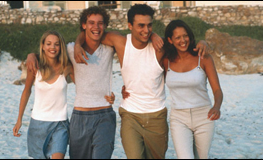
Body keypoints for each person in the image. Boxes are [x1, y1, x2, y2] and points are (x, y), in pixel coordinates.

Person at [73, 4, 209, 159]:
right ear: (130, 26)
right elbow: (93, 33)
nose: (146, 30)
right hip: (130, 115)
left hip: (156, 116)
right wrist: (77, 44)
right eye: (141, 26)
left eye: (149, 25)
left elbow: (184, 43)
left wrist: (204, 42)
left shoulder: (160, 47)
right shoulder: (121, 42)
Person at [25, 6, 117, 159]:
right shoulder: (70, 49)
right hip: (79, 116)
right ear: (83, 25)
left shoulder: (109, 48)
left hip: (104, 114)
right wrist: (31, 55)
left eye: (100, 23)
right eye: (91, 23)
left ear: (105, 25)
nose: (96, 27)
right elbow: (50, 52)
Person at [163, 19, 223, 159]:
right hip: (178, 117)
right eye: (177, 37)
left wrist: (217, 106)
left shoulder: (203, 58)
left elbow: (217, 90)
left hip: (204, 115)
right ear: (170, 40)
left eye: (185, 36)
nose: (183, 40)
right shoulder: (167, 61)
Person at [13, 30, 74, 159]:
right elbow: (27, 91)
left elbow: (83, 85)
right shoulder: (35, 67)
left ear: (61, 47)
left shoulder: (67, 67)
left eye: (56, 44)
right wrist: (19, 119)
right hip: (38, 123)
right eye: (49, 44)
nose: (52, 47)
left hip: (60, 123)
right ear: (43, 46)